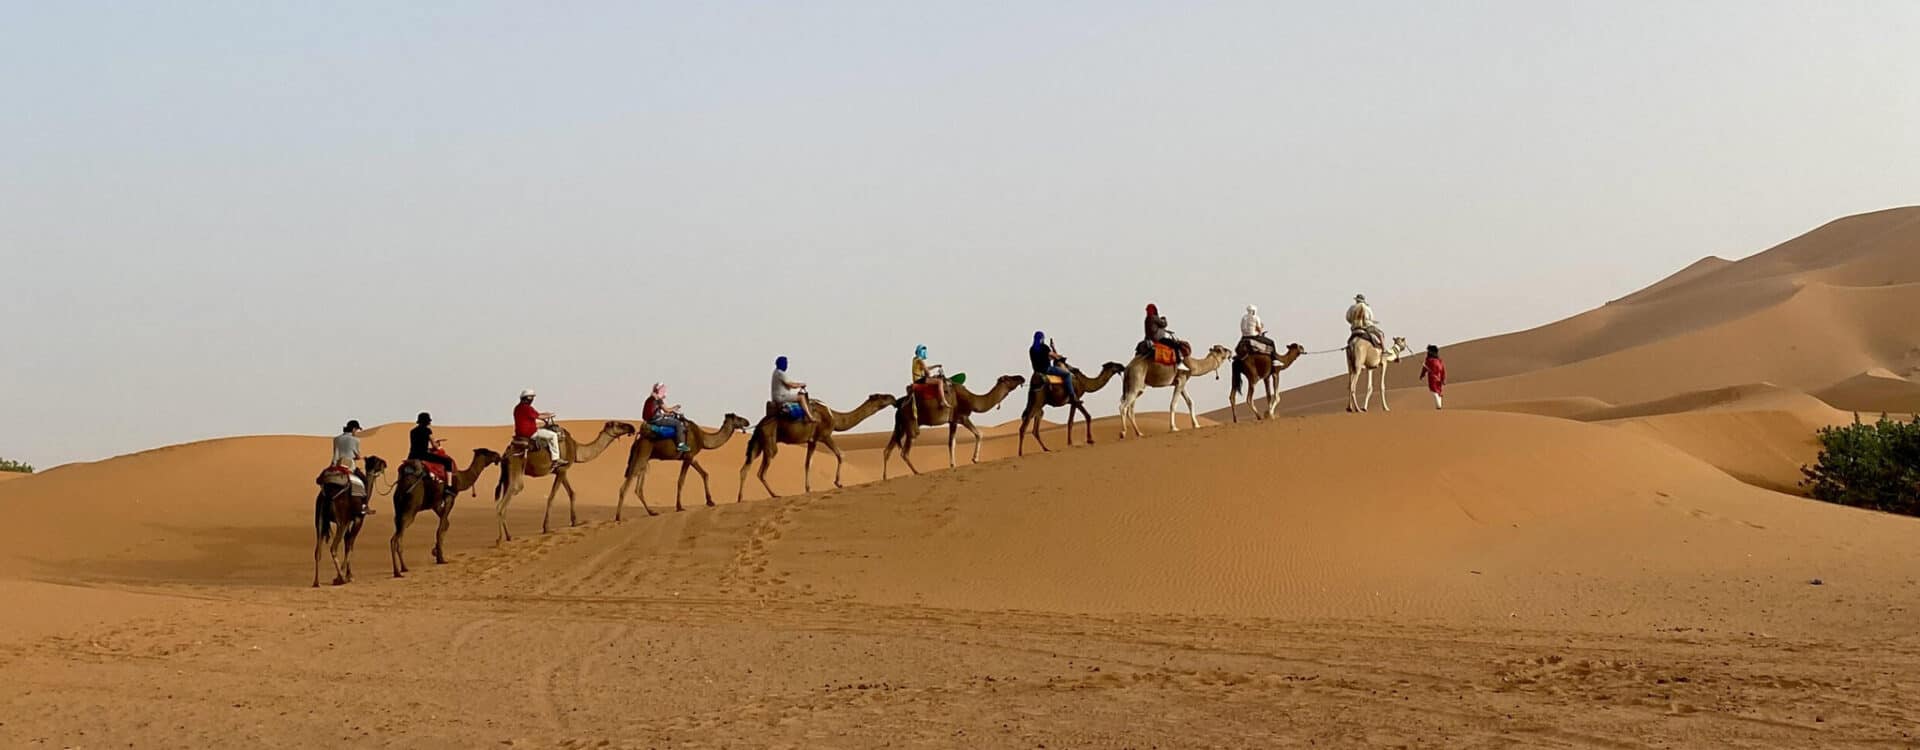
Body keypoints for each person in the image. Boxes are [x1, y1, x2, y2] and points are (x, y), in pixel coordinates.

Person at [513, 389, 565, 467]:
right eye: (531, 397)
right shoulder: (528, 408)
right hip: (530, 433)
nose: (532, 399)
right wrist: (550, 415)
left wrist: (546, 413)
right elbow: (539, 416)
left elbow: (536, 414)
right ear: (528, 398)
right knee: (553, 435)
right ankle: (556, 459)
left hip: (519, 434)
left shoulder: (517, 408)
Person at [331, 420, 371, 515]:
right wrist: (361, 458)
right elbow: (356, 455)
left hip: (336, 466)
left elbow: (336, 454)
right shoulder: (355, 440)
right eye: (356, 430)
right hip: (349, 466)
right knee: (365, 481)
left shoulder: (336, 439)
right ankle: (363, 506)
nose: (356, 432)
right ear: (353, 429)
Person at [642, 383, 692, 453]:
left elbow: (660, 412)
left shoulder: (651, 398)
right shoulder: (658, 399)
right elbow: (667, 410)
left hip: (651, 420)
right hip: (657, 420)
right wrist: (675, 408)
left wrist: (669, 414)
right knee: (678, 424)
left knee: (671, 418)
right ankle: (680, 445)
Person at [1029, 332, 1078, 403]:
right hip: (1046, 369)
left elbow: (1047, 357)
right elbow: (1055, 356)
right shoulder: (1044, 347)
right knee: (1067, 374)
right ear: (1042, 338)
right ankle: (1072, 396)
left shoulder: (1031, 349)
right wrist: (1054, 349)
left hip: (1037, 371)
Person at [408, 412, 457, 480]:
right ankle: (449, 485)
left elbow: (417, 444)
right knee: (448, 461)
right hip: (423, 456)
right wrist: (438, 446)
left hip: (411, 456)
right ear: (427, 422)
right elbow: (434, 445)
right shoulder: (427, 430)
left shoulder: (412, 431)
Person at [1143, 303, 1189, 369]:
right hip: (1158, 339)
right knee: (1175, 345)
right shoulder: (1154, 317)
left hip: (1148, 339)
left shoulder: (1147, 319)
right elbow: (1164, 324)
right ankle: (1179, 363)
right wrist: (1164, 319)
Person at [770, 356, 814, 422]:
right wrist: (801, 384)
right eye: (785, 363)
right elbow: (791, 385)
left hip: (778, 396)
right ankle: (810, 417)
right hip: (781, 397)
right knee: (801, 397)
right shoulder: (781, 373)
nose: (786, 365)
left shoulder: (776, 372)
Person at [911, 344, 953, 411]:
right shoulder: (920, 361)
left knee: (935, 379)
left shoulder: (915, 359)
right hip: (920, 380)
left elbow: (925, 368)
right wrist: (932, 376)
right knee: (940, 381)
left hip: (918, 379)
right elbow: (927, 372)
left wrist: (936, 366)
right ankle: (943, 400)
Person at [1418, 345, 1447, 410]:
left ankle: (1438, 405)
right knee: (1438, 391)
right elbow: (1442, 370)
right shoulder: (1439, 360)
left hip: (1433, 378)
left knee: (1434, 391)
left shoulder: (1429, 360)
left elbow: (1424, 368)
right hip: (1438, 377)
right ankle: (1439, 405)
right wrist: (1443, 379)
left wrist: (1422, 375)